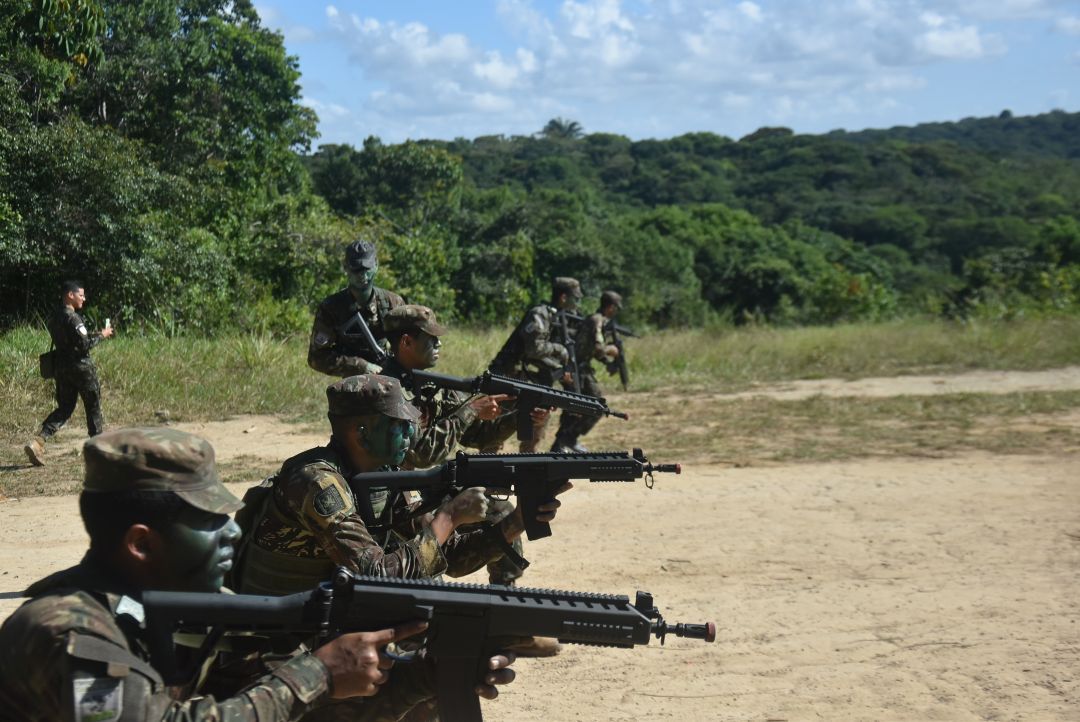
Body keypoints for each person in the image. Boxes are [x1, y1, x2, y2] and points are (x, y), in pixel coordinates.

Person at [0, 427, 515, 721]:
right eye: (208, 522)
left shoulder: (178, 614)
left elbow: (288, 706)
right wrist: (318, 672)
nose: (231, 533)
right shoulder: (67, 634)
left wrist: (425, 675)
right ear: (141, 543)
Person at [231, 374, 569, 596]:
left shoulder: (383, 475)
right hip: (276, 633)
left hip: (322, 610)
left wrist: (516, 521)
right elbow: (376, 574)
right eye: (400, 425)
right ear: (362, 433)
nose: (412, 432)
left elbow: (448, 557)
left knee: (436, 603)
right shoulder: (318, 483)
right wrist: (449, 516)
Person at [378, 306, 557, 657]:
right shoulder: (385, 389)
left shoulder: (429, 386)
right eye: (431, 339)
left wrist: (521, 418)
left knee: (499, 510)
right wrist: (469, 410)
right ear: (406, 342)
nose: (439, 345)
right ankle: (418, 641)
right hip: (392, 497)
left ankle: (505, 618)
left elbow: (477, 434)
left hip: (425, 486)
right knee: (428, 555)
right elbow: (421, 452)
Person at [486, 276, 582, 453]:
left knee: (538, 420)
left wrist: (561, 371)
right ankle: (486, 465)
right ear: (563, 297)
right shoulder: (539, 314)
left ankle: (528, 463)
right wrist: (560, 350)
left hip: (530, 377)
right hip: (507, 375)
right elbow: (534, 349)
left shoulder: (559, 317)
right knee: (495, 428)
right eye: (575, 298)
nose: (577, 303)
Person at [25, 280, 115, 466]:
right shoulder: (73, 318)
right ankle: (97, 450)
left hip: (62, 369)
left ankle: (38, 442)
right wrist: (102, 335)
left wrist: (94, 333)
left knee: (65, 408)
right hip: (82, 370)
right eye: (81, 295)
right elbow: (83, 345)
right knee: (93, 407)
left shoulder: (54, 318)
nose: (84, 298)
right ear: (70, 295)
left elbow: (71, 341)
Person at [308, 239, 405, 377]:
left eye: (367, 269)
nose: (362, 275)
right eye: (356, 269)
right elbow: (316, 357)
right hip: (353, 384)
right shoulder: (331, 308)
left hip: (391, 380)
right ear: (345, 267)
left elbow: (410, 346)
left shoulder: (393, 303)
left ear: (376, 264)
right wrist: (360, 366)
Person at [551, 290, 624, 453]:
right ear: (611, 307)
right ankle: (565, 441)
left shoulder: (597, 320)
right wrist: (611, 350)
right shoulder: (597, 320)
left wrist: (607, 363)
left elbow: (592, 350)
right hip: (575, 369)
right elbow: (599, 348)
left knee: (581, 406)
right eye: (616, 308)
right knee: (588, 406)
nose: (616, 312)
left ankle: (563, 443)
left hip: (580, 369)